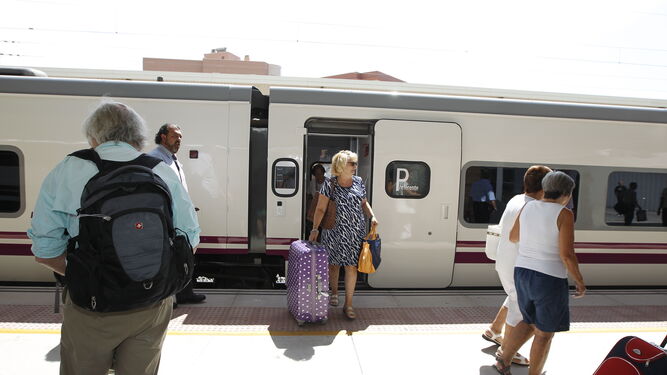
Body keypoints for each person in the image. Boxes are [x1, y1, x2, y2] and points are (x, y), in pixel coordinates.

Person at [27, 101, 201, 375]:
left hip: (91, 307)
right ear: (138, 137)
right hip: (151, 304)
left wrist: (83, 275)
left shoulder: (69, 169)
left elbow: (45, 251)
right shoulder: (160, 170)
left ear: (93, 136)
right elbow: (189, 240)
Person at [495, 171, 586, 375]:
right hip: (549, 279)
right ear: (567, 193)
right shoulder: (564, 214)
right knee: (545, 333)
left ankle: (504, 359)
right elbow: (566, 254)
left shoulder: (528, 206)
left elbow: (513, 236)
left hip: (523, 273)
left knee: (529, 321)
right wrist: (579, 280)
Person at [483, 165, 551, 367]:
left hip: (504, 260)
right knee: (519, 311)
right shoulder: (534, 207)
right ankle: (508, 351)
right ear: (545, 187)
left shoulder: (516, 199)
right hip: (518, 266)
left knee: (513, 297)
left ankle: (494, 330)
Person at [308, 150, 378, 320]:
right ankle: (334, 293)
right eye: (352, 163)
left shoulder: (359, 182)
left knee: (351, 267)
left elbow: (363, 202)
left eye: (355, 163)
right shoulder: (330, 184)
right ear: (341, 166)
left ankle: (348, 304)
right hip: (333, 231)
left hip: (355, 232)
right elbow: (320, 208)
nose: (355, 166)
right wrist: (315, 229)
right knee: (333, 265)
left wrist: (372, 216)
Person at [149, 123, 206, 305]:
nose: (179, 140)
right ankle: (168, 297)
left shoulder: (173, 160)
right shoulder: (155, 159)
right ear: (163, 137)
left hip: (177, 215)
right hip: (166, 216)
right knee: (169, 256)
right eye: (175, 136)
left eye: (181, 137)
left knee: (182, 254)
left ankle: (184, 293)